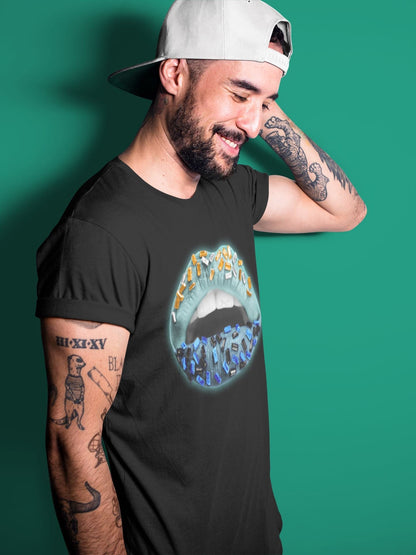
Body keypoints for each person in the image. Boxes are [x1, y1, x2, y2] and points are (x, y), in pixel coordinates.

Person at [36, 0, 366, 553]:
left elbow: (346, 211)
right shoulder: (99, 232)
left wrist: (257, 102)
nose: (253, 125)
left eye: (267, 103)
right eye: (238, 94)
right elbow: (74, 445)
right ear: (174, 74)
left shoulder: (230, 189)